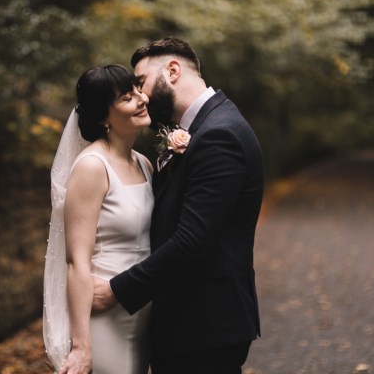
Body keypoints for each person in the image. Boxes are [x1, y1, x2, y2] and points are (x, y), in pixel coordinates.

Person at [92, 36, 264, 374]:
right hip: (192, 324)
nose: (140, 96)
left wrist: (115, 291)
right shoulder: (206, 127)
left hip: (204, 327)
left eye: (140, 83)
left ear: (172, 70)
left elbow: (192, 241)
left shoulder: (219, 134)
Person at [43, 64, 154, 374]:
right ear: (104, 116)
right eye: (126, 97)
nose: (141, 99)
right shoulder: (92, 167)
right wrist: (81, 346)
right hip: (107, 315)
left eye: (137, 90)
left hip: (143, 308)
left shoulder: (144, 164)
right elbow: (76, 261)